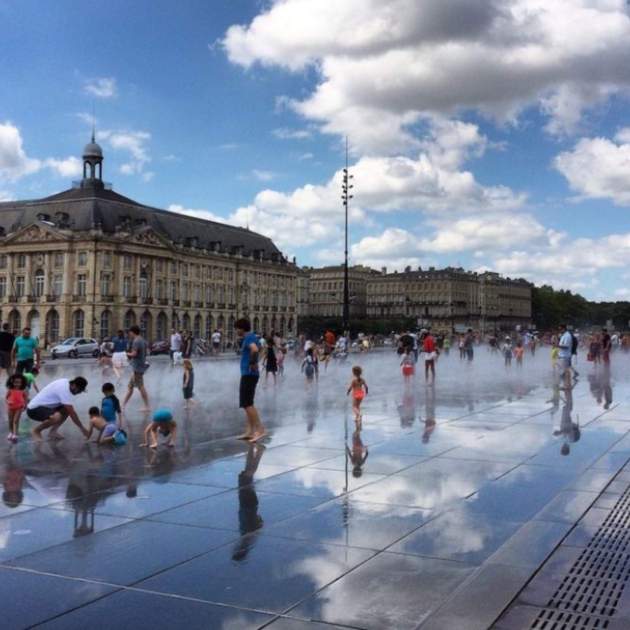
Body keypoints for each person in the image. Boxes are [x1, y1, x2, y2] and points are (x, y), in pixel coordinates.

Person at [26, 376, 89, 441]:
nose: (79, 393)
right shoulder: (64, 390)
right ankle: (36, 430)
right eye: (79, 391)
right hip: (34, 409)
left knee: (66, 410)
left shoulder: (66, 382)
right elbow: (72, 413)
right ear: (74, 385)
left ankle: (53, 432)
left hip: (46, 406)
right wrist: (82, 428)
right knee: (56, 417)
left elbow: (69, 409)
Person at [235, 318, 265, 443]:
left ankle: (260, 430)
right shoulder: (252, 337)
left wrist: (253, 363)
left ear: (242, 328)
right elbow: (262, 349)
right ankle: (250, 431)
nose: (236, 331)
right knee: (247, 404)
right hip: (249, 373)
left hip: (249, 374)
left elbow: (255, 349)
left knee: (247, 404)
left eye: (237, 328)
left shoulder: (249, 338)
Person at [123, 325, 150, 410]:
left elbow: (134, 354)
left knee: (141, 386)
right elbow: (147, 352)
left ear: (132, 332)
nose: (129, 334)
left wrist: (126, 354)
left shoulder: (136, 341)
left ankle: (147, 406)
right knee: (130, 387)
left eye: (129, 332)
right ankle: (123, 405)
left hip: (137, 367)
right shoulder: (142, 340)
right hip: (139, 366)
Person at [6, 373, 28, 443]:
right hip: (11, 407)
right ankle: (11, 432)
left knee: (15, 420)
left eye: (19, 383)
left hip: (19, 407)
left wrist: (25, 405)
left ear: (22, 383)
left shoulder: (23, 390)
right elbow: (6, 398)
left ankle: (15, 434)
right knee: (10, 420)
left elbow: (25, 398)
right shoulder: (10, 390)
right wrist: (8, 402)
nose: (17, 384)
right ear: (12, 382)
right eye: (16, 382)